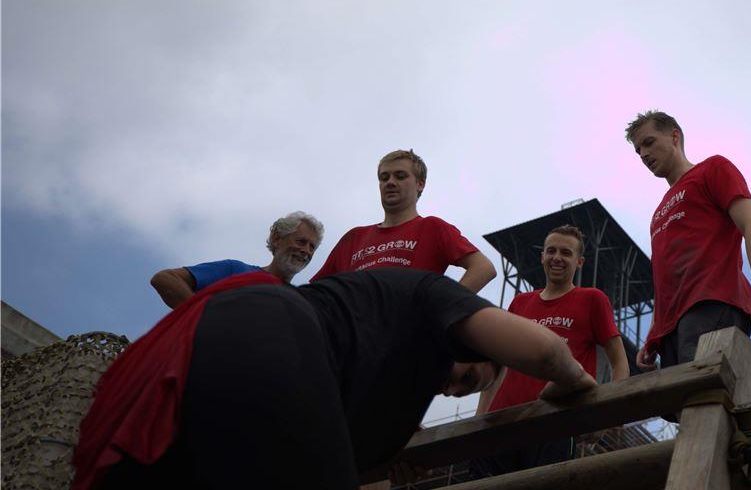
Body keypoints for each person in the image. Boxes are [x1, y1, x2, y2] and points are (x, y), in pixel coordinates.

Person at [73, 267, 597, 490]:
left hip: (161, 365)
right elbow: (546, 350)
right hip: (261, 329)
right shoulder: (431, 293)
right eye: (468, 377)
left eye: (462, 392)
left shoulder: (379, 383)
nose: (450, 389)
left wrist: (390, 467)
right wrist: (576, 381)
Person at [625, 110, 751, 371]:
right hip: (671, 329)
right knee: (682, 397)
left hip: (711, 304)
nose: (643, 154)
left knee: (703, 389)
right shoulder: (658, 213)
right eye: (638, 150)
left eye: (649, 142)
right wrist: (654, 333)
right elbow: (664, 277)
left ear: (674, 136)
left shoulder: (713, 169)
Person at [472, 225, 630, 475]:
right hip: (501, 422)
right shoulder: (520, 302)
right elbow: (497, 364)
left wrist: (606, 416)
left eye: (566, 253)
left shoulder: (592, 299)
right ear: (542, 257)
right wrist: (479, 419)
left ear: (579, 262)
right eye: (551, 251)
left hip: (556, 420)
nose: (557, 257)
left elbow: (619, 362)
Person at [311, 149, 496, 291]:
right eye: (384, 178)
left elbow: (484, 268)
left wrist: (444, 309)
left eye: (400, 176)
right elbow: (316, 292)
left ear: (420, 184)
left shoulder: (432, 228)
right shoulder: (353, 238)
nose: (390, 182)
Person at [149, 211, 324, 308]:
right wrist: (205, 321)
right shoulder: (236, 270)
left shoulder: (299, 302)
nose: (306, 251)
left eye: (312, 247)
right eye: (301, 242)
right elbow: (165, 279)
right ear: (277, 239)